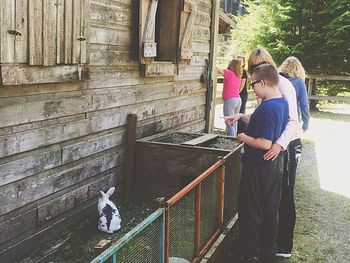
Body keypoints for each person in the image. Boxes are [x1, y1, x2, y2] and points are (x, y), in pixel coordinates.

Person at [225, 64, 289, 263]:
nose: (252, 89)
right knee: (270, 209)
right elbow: (261, 120)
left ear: (263, 82)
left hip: (258, 167)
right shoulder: (280, 102)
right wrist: (242, 116)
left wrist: (243, 136)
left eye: (253, 84)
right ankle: (267, 251)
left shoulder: (268, 107)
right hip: (274, 166)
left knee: (250, 209)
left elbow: (264, 142)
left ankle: (248, 253)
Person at [276, 56, 310, 258]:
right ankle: (283, 243)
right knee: (288, 189)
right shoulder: (298, 83)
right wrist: (305, 124)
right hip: (291, 137)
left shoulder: (279, 80)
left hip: (279, 135)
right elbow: (303, 105)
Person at [217, 59, 242, 136]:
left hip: (230, 100)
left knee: (229, 122)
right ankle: (234, 138)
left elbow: (218, 69)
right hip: (238, 99)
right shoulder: (238, 75)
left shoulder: (229, 73)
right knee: (234, 121)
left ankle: (231, 140)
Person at [237, 56, 249, 134]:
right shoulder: (234, 71)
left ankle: (242, 131)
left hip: (242, 94)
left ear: (244, 63)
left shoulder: (243, 72)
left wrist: (235, 93)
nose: (239, 63)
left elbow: (242, 85)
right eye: (238, 61)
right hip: (236, 94)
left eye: (241, 61)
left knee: (241, 112)